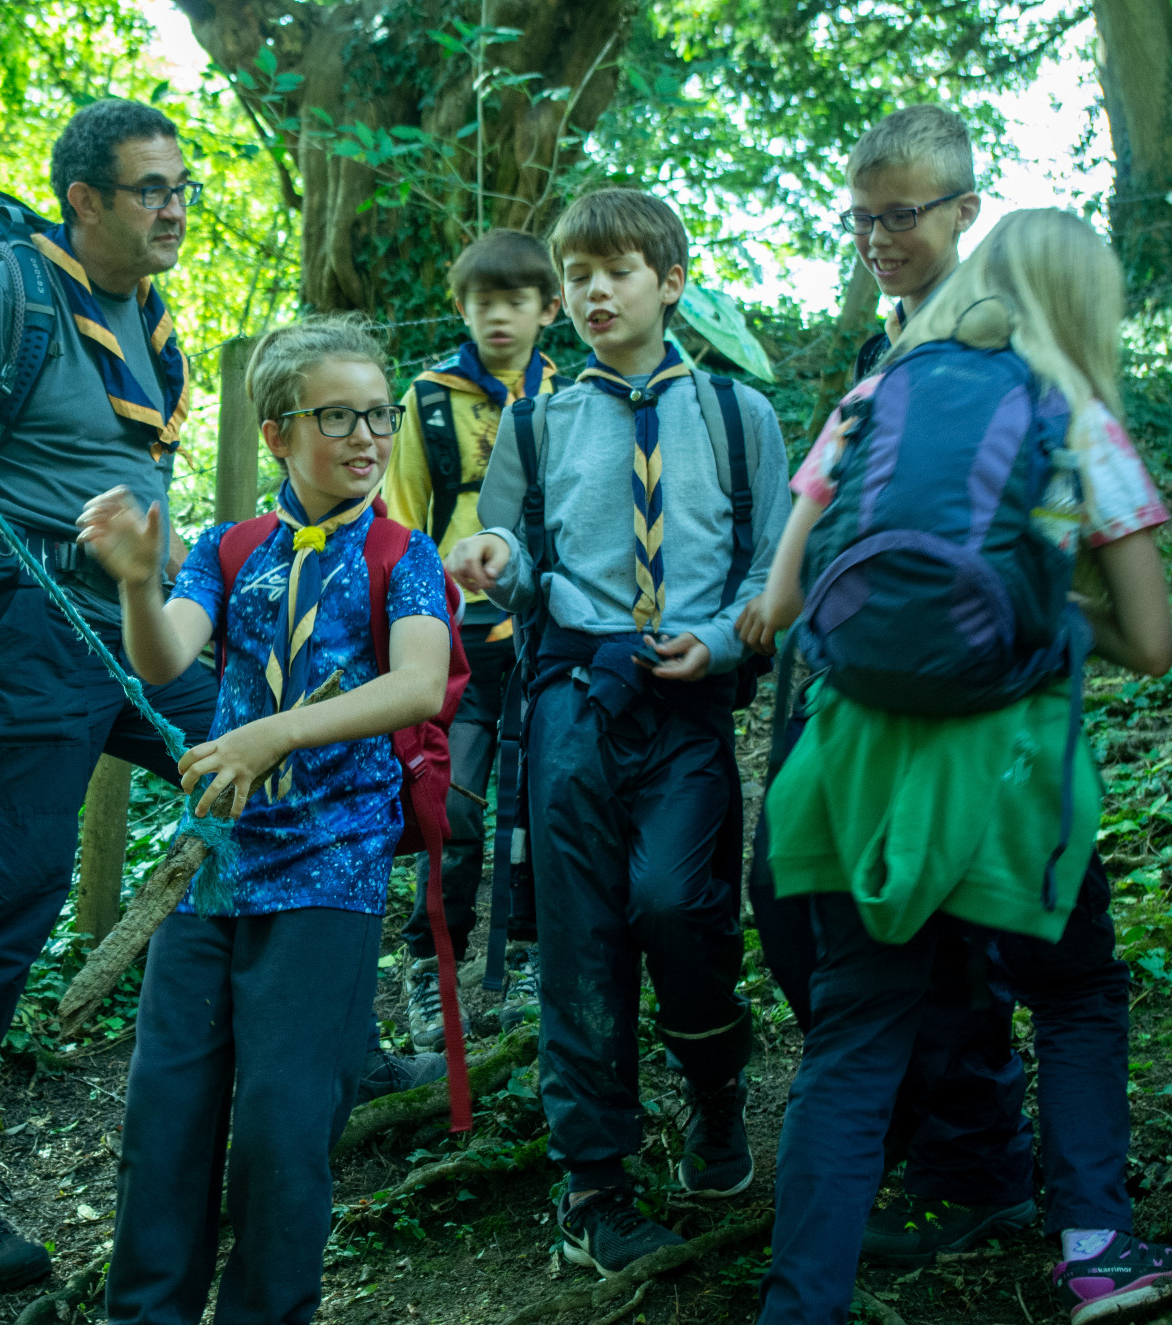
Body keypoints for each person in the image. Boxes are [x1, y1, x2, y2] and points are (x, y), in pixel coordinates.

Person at [749, 209, 1172, 1325]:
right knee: (1076, 990)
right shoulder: (1077, 419)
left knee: (855, 1035)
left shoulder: (870, 401)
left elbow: (786, 598)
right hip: (1009, 770)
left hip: (853, 763)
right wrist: (1047, 603)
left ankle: (798, 1308)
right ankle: (1096, 1248)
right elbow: (1151, 643)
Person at [0, 98, 219, 1290]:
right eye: (148, 188)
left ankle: (320, 1051)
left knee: (269, 766)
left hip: (137, 621)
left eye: (180, 186)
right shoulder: (6, 292)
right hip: (26, 623)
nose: (171, 208)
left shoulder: (154, 320)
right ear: (83, 199)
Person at [75, 315, 452, 1325]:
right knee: (167, 1113)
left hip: (332, 866)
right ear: (278, 433)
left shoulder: (405, 553)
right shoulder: (231, 547)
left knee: (285, 1124)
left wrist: (273, 734)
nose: (367, 436)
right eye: (338, 417)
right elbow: (165, 655)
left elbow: (418, 684)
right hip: (214, 864)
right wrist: (137, 583)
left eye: (378, 415)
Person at [449, 188, 791, 1272]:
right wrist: (495, 559)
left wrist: (721, 642)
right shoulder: (536, 420)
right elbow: (514, 546)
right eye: (578, 276)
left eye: (618, 272)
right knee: (581, 934)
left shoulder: (738, 415)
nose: (595, 292)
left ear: (670, 282)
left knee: (678, 906)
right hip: (571, 698)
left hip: (686, 701)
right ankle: (592, 1185)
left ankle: (714, 1086)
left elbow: (771, 566)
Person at [380, 228, 564, 1051]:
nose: (499, 315)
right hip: (452, 641)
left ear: (548, 308)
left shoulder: (571, 395)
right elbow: (400, 518)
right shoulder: (425, 400)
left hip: (544, 633)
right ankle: (431, 967)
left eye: (516, 300)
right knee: (449, 810)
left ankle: (527, 957)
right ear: (461, 307)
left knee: (535, 807)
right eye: (483, 300)